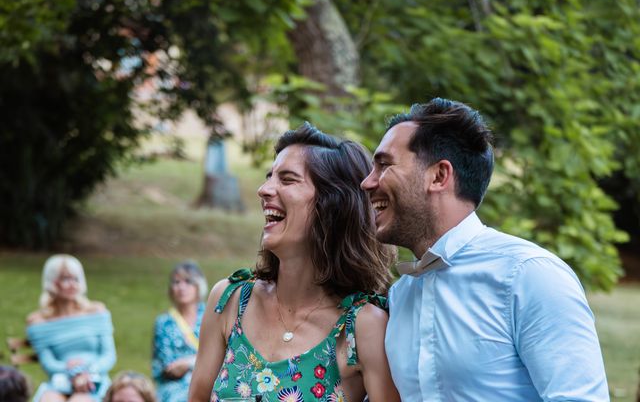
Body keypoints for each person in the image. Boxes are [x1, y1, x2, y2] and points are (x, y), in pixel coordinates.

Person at [361, 97, 609, 401]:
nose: (367, 182)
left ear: (438, 176)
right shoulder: (402, 295)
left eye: (384, 165)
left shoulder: (529, 276)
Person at [190, 123, 400, 402]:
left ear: (333, 205)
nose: (264, 190)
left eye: (287, 180)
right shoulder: (229, 301)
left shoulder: (362, 327)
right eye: (269, 177)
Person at [26, 254, 116, 402]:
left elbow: (108, 356)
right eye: (65, 279)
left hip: (94, 380)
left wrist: (86, 372)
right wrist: (72, 373)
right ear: (52, 282)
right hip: (60, 381)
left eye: (76, 278)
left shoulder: (96, 312)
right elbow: (48, 363)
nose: (73, 284)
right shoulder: (39, 322)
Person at [152, 261, 207, 402]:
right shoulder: (164, 322)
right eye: (176, 282)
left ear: (198, 286)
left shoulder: (212, 315)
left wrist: (189, 363)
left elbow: (222, 354)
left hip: (208, 380)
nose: (182, 287)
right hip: (174, 386)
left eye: (188, 282)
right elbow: (167, 365)